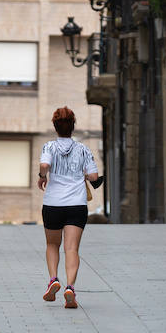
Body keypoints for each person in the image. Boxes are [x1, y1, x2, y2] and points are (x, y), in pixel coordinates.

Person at [37, 106, 102, 309]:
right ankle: (70, 288)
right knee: (72, 248)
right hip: (76, 205)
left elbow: (44, 165)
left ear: (55, 127)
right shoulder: (83, 149)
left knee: (52, 245)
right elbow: (93, 177)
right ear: (73, 126)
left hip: (53, 204)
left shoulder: (49, 147)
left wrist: (42, 176)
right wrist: (81, 174)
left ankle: (53, 279)